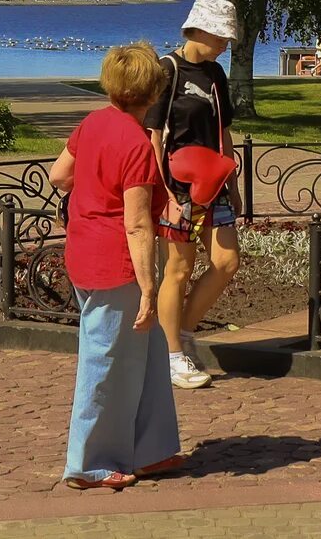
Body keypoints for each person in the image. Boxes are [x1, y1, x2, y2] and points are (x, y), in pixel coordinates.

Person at [48, 41, 182, 490]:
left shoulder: (92, 123)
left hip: (84, 250)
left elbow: (59, 176)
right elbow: (139, 224)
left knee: (146, 356)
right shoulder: (136, 144)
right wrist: (148, 288)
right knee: (104, 360)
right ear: (153, 92)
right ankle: (89, 462)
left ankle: (151, 448)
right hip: (114, 263)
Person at [143, 0, 244, 390]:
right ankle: (171, 355)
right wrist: (165, 192)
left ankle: (182, 335)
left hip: (215, 184)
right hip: (177, 189)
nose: (226, 44)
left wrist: (233, 183)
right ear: (200, 30)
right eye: (222, 36)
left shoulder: (217, 74)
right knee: (178, 270)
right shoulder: (166, 70)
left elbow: (223, 131)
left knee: (227, 261)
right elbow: (153, 136)